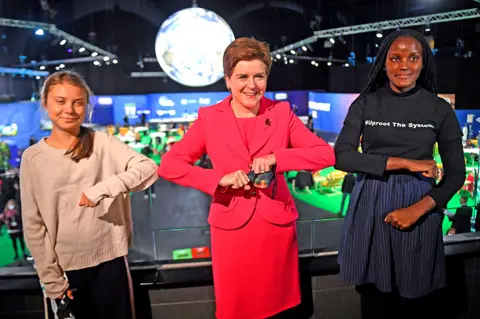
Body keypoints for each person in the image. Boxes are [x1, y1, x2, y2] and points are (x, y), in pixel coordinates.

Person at [158, 37, 335, 319]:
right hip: (232, 232)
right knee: (237, 309)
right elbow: (170, 165)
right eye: (242, 76)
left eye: (259, 76)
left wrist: (279, 158)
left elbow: (325, 154)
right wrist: (218, 180)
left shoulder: (281, 112)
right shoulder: (209, 118)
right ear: (228, 79)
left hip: (275, 231)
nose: (251, 85)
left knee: (281, 310)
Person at [334, 29, 466, 319]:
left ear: (423, 63)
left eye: (412, 58)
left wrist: (417, 209)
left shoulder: (440, 109)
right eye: (395, 58)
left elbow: (456, 174)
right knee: (373, 300)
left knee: (414, 301)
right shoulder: (365, 103)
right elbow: (342, 157)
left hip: (419, 208)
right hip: (371, 204)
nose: (403, 65)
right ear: (384, 63)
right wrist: (407, 163)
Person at [20, 70, 158, 319]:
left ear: (86, 106)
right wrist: (52, 281)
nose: (69, 110)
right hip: (65, 271)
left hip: (111, 262)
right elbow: (33, 224)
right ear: (45, 103)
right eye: (60, 101)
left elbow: (148, 169)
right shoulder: (33, 158)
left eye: (78, 102)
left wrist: (103, 190)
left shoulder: (103, 143)